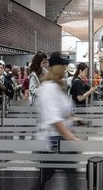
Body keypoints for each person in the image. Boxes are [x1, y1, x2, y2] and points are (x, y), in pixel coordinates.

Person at [36, 51, 79, 190]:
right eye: (63, 65)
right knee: (71, 176)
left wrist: (74, 119)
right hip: (54, 141)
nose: (65, 69)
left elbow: (62, 113)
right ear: (56, 67)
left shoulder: (57, 86)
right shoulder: (49, 88)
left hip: (58, 140)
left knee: (47, 178)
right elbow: (54, 119)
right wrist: (70, 137)